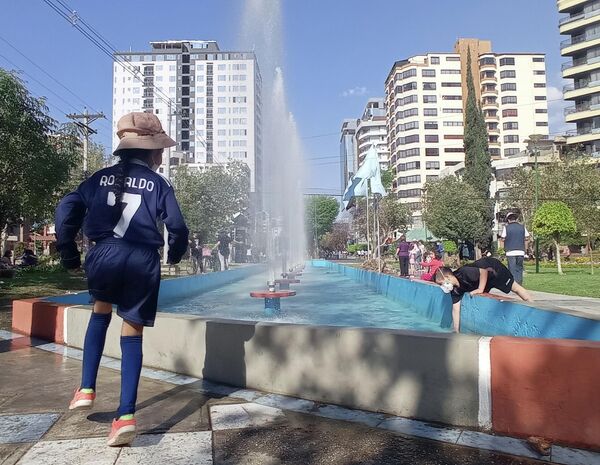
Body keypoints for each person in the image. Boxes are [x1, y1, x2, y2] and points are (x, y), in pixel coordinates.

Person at [55, 112, 189, 447]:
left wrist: (69, 252)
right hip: (142, 259)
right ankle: (125, 416)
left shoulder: (98, 179)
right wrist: (175, 253)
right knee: (133, 330)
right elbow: (178, 226)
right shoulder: (159, 184)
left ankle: (86, 388)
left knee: (100, 311)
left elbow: (65, 210)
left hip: (104, 254)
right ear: (154, 153)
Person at [434, 257, 532, 333]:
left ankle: (531, 303)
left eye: (441, 283)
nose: (441, 286)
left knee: (514, 288)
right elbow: (456, 309)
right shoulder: (454, 290)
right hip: (484, 279)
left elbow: (483, 272)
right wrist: (456, 331)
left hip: (493, 269)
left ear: (448, 277)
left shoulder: (464, 273)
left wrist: (480, 289)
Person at [499, 212, 530, 285]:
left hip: (510, 251)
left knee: (512, 269)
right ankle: (519, 283)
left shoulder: (506, 228)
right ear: (516, 219)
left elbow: (502, 238)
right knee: (519, 268)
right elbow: (527, 237)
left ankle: (514, 285)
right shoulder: (522, 227)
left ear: (509, 220)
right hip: (520, 251)